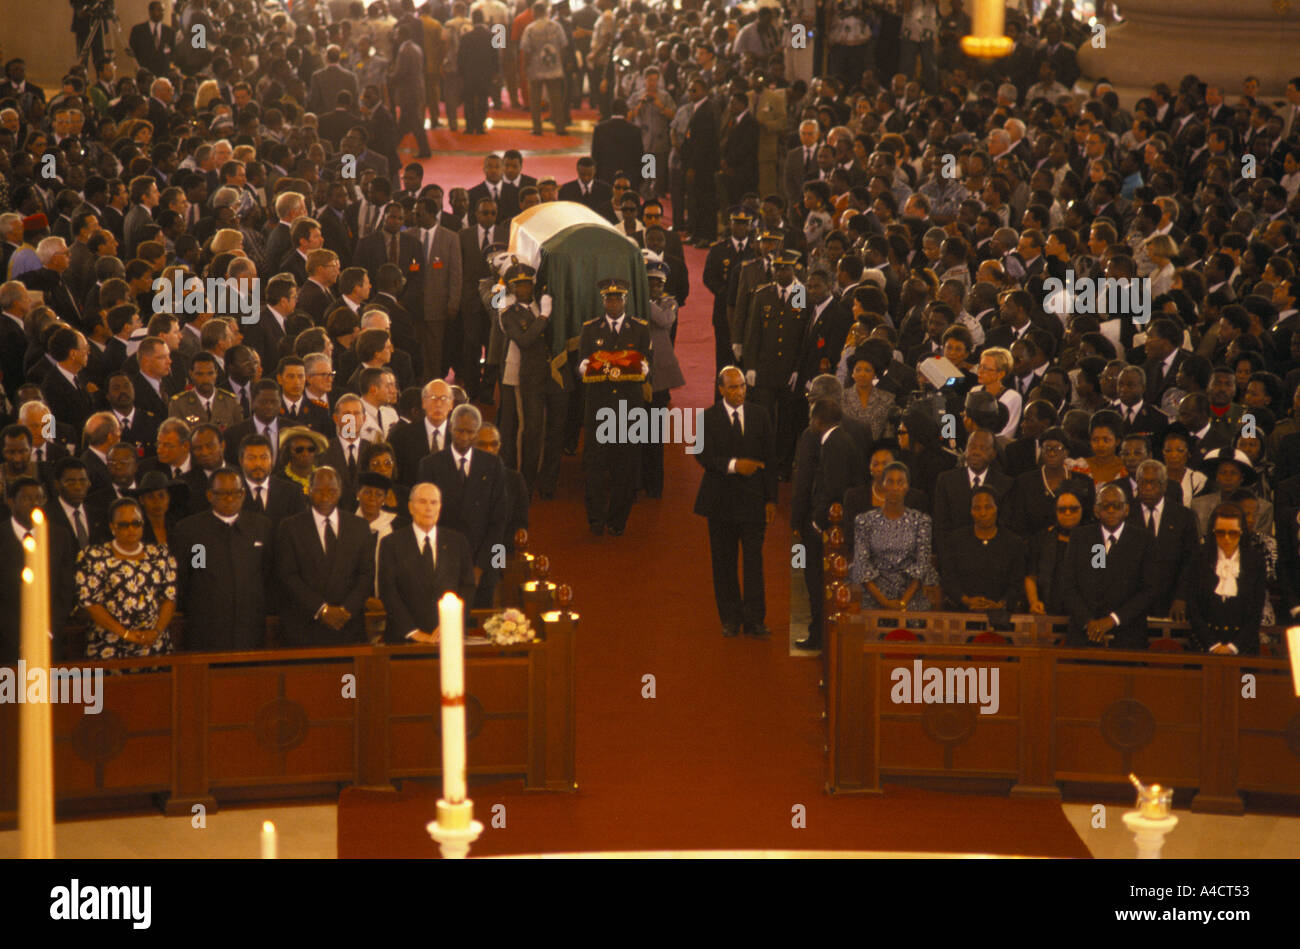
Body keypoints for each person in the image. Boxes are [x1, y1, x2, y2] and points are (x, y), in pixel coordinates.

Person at [693, 366, 777, 638]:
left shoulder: (760, 415)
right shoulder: (707, 418)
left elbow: (770, 460)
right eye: (732, 387)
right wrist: (733, 465)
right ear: (720, 390)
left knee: (754, 562)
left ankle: (755, 619)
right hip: (720, 502)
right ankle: (730, 618)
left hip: (754, 501)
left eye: (741, 386)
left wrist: (771, 500)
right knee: (724, 562)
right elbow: (702, 455)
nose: (739, 392)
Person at [577, 277, 651, 536]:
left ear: (625, 300)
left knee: (626, 468)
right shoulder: (590, 329)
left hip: (629, 409)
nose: (613, 302)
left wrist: (605, 363)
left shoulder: (640, 329)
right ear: (603, 301)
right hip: (599, 408)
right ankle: (596, 519)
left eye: (618, 298)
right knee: (595, 466)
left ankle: (618, 521)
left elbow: (644, 366)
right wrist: (620, 363)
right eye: (609, 298)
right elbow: (583, 366)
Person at [172, 467, 273, 652]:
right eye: (222, 494)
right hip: (207, 629)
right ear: (210, 495)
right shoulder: (192, 530)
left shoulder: (261, 527)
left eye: (235, 493)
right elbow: (192, 576)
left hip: (249, 627)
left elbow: (266, 574)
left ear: (243, 494)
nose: (229, 499)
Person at [416, 403, 507, 606]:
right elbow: (426, 518)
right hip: (443, 563)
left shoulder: (492, 465)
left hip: (483, 561)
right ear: (450, 428)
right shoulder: (430, 465)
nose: (464, 437)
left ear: (477, 432)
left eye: (470, 432)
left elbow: (498, 520)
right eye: (459, 430)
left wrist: (480, 567)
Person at [274, 467, 374, 646]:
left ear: (341, 491)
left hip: (348, 626)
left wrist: (346, 610)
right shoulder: (290, 527)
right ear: (309, 491)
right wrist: (322, 610)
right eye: (319, 491)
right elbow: (288, 576)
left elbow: (366, 574)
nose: (326, 496)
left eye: (332, 491)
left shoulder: (359, 527)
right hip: (304, 627)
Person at [75, 496, 178, 659]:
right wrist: (126, 634)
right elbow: (91, 604)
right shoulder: (94, 557)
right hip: (110, 645)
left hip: (153, 644)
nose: (131, 529)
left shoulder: (160, 555)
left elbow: (169, 598)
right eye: (124, 525)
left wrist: (156, 631)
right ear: (112, 527)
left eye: (136, 523)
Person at [1060, 483, 1158, 650]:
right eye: (1105, 506)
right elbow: (1069, 586)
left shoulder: (1143, 540)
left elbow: (1148, 591)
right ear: (1096, 511)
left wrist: (1112, 619)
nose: (1111, 510)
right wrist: (1089, 622)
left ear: (1126, 509)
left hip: (1127, 637)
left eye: (1117, 506)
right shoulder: (1081, 537)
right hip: (1085, 635)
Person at [377, 482, 476, 644]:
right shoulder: (391, 544)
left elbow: (467, 587)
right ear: (410, 507)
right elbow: (388, 591)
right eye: (422, 502)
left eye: (433, 502)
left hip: (448, 638)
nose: (428, 508)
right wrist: (414, 633)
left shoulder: (457, 542)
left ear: (440, 507)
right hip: (404, 641)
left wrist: (449, 624)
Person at [850, 461, 940, 611]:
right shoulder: (865, 520)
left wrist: (903, 602)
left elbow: (922, 564)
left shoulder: (921, 520)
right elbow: (861, 563)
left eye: (900, 482)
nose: (895, 488)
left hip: (911, 592)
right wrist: (884, 602)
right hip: (874, 592)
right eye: (890, 482)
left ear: (907, 487)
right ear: (882, 485)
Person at [1188, 502, 1267, 655]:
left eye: (1233, 533)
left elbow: (1256, 612)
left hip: (1244, 649)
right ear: (1213, 532)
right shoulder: (1199, 558)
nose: (1226, 538)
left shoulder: (1255, 561)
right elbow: (1193, 609)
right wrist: (1213, 645)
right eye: (1220, 533)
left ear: (1242, 532)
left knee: (1248, 680)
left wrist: (1233, 647)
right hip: (1204, 647)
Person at [939, 486, 1025, 612]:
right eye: (977, 508)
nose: (983, 513)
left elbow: (1017, 583)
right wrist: (966, 600)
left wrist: (1000, 604)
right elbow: (948, 578)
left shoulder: (1013, 542)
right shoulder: (955, 540)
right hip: (961, 613)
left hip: (1002, 615)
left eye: (988, 507)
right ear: (970, 511)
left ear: (997, 508)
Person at [642, 261, 685, 497]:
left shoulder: (668, 302)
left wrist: (645, 301)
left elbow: (664, 320)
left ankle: (654, 485)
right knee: (636, 431)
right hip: (640, 372)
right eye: (649, 282)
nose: (654, 287)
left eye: (658, 283)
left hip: (659, 375)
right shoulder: (635, 302)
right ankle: (639, 480)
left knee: (655, 434)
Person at [1024, 488, 1085, 616]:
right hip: (1046, 611)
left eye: (1073, 509)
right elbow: (1030, 576)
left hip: (1083, 613)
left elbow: (1101, 575)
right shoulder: (1040, 539)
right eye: (1062, 509)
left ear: (1082, 509)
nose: (1067, 513)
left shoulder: (1097, 541)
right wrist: (1034, 602)